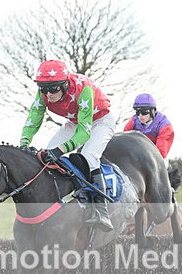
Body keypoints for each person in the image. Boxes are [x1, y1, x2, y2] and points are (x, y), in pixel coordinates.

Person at [19, 59, 115, 231]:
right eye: (43, 88)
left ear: (64, 84)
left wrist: (61, 150)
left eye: (53, 89)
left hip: (100, 121)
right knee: (47, 156)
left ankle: (103, 212)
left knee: (89, 157)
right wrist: (24, 143)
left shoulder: (82, 87)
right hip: (75, 122)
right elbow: (34, 118)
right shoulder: (44, 93)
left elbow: (84, 133)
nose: (48, 94)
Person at [123, 93, 174, 168]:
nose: (140, 116)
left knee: (159, 165)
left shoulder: (165, 126)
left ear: (152, 111)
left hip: (156, 157)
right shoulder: (134, 121)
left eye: (144, 112)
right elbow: (124, 140)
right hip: (137, 154)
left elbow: (160, 153)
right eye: (137, 112)